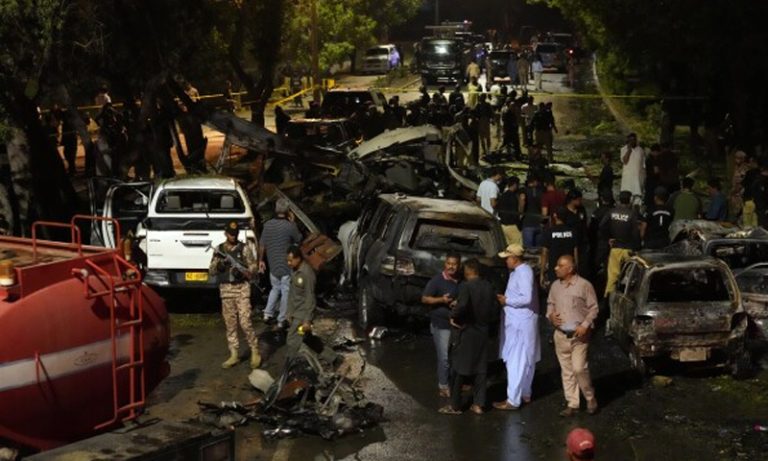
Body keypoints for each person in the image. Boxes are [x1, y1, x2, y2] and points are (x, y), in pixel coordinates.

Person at [438, 258, 497, 415]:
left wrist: (452, 315)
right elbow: (494, 309)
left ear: (469, 270)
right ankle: (478, 404)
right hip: (483, 332)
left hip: (468, 330)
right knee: (481, 369)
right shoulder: (488, 286)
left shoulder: (466, 286)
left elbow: (463, 305)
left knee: (458, 369)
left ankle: (455, 405)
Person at [547, 255, 599, 417]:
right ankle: (572, 403)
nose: (555, 268)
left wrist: (585, 325)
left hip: (579, 337)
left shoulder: (584, 285)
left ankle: (590, 398)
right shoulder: (555, 286)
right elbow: (550, 304)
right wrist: (551, 316)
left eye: (560, 265)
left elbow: (594, 308)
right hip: (561, 335)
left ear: (570, 269)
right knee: (567, 371)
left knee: (579, 368)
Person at [493, 244, 540, 411]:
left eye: (507, 258)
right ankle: (525, 392)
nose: (505, 261)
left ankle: (513, 400)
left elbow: (526, 298)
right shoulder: (519, 272)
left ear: (515, 258)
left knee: (516, 360)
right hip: (520, 321)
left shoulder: (523, 273)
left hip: (520, 323)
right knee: (525, 358)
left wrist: (507, 301)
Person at [209, 221, 261, 369]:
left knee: (245, 322)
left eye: (236, 234)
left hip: (241, 289)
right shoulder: (219, 250)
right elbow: (211, 270)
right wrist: (219, 266)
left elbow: (253, 267)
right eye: (231, 234)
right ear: (225, 233)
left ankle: (254, 350)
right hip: (226, 290)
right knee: (230, 324)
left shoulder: (244, 248)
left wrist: (243, 272)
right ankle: (233, 353)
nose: (233, 236)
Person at [285, 245, 336, 365]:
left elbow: (310, 297)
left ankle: (288, 367)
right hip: (295, 312)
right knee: (307, 339)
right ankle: (332, 357)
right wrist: (289, 312)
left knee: (292, 339)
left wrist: (307, 320)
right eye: (287, 260)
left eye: (291, 260)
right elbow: (292, 294)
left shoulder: (307, 273)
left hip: (302, 315)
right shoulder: (295, 271)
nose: (288, 263)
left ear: (298, 258)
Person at [421, 254, 462, 398]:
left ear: (459, 265)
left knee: (455, 356)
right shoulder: (437, 280)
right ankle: (443, 385)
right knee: (444, 357)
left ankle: (455, 382)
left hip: (457, 324)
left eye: (454, 264)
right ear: (445, 264)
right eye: (449, 263)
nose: (451, 267)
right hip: (441, 324)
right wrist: (441, 300)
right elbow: (425, 298)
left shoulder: (461, 281)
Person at [259, 198, 303, 326]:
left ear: (275, 209)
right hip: (285, 264)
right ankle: (281, 319)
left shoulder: (267, 225)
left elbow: (262, 244)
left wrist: (261, 260)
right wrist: (293, 222)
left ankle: (267, 313)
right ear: (288, 211)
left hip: (272, 263)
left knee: (275, 288)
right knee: (286, 290)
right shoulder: (290, 226)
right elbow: (299, 239)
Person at [599, 191, 641, 297]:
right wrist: (637, 248)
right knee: (629, 277)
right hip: (628, 250)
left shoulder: (612, 212)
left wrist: (608, 238)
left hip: (615, 248)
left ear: (619, 200)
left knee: (612, 277)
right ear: (630, 201)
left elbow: (602, 226)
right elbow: (636, 234)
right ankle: (626, 298)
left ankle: (608, 299)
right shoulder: (632, 214)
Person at [541, 207, 578, 288]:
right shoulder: (573, 232)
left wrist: (542, 273)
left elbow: (544, 253)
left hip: (554, 270)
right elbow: (576, 253)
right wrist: (576, 269)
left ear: (555, 216)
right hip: (569, 270)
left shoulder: (549, 232)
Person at [619, 133, 645, 206]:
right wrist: (629, 150)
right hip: (627, 182)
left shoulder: (640, 150)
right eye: (630, 140)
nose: (632, 141)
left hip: (638, 181)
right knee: (626, 201)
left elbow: (643, 166)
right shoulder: (623, 149)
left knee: (637, 201)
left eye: (634, 140)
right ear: (628, 141)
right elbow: (625, 161)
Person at [497, 177, 524, 245]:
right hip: (512, 225)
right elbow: (515, 211)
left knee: (507, 246)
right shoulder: (513, 197)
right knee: (517, 246)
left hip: (503, 224)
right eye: (518, 185)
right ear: (515, 185)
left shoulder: (503, 195)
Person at [520, 175, 544, 248]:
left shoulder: (524, 190)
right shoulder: (542, 191)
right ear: (536, 182)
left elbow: (522, 199)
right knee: (539, 248)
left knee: (528, 249)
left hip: (528, 222)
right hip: (539, 222)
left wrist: (521, 213)